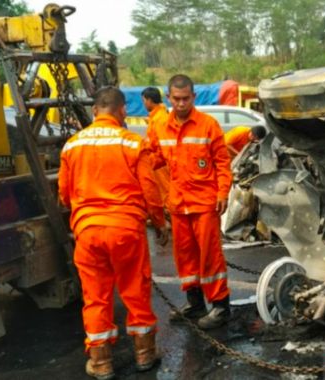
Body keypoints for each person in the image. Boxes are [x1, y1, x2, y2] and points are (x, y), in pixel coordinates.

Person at [58, 87, 168, 379]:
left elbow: (64, 194)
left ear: (95, 111)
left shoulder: (71, 145)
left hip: (88, 232)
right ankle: (145, 354)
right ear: (122, 112)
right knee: (135, 291)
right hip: (126, 231)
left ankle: (101, 362)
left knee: (95, 298)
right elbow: (150, 191)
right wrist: (160, 224)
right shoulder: (132, 143)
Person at [147, 74, 233, 329]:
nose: (181, 104)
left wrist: (222, 194)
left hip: (204, 204)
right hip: (178, 204)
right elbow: (153, 157)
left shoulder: (208, 125)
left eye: (186, 99)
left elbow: (222, 163)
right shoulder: (161, 127)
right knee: (185, 257)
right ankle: (195, 304)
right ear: (169, 97)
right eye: (176, 99)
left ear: (193, 97)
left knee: (210, 257)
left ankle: (220, 306)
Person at [141, 87, 170, 206]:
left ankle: (171, 217)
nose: (143, 103)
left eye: (144, 100)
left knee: (166, 190)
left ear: (149, 100)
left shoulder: (160, 118)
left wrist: (155, 160)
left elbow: (164, 144)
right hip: (156, 160)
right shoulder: (156, 117)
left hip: (161, 162)